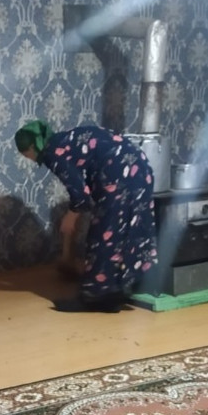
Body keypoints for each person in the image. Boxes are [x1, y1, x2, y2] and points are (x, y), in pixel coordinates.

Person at [15, 120, 158, 312]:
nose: (29, 159)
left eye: (26, 155)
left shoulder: (52, 152)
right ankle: (121, 289)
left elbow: (80, 194)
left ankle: (95, 297)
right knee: (130, 230)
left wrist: (71, 216)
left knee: (104, 236)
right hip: (140, 169)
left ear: (33, 147)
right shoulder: (63, 140)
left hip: (119, 176)